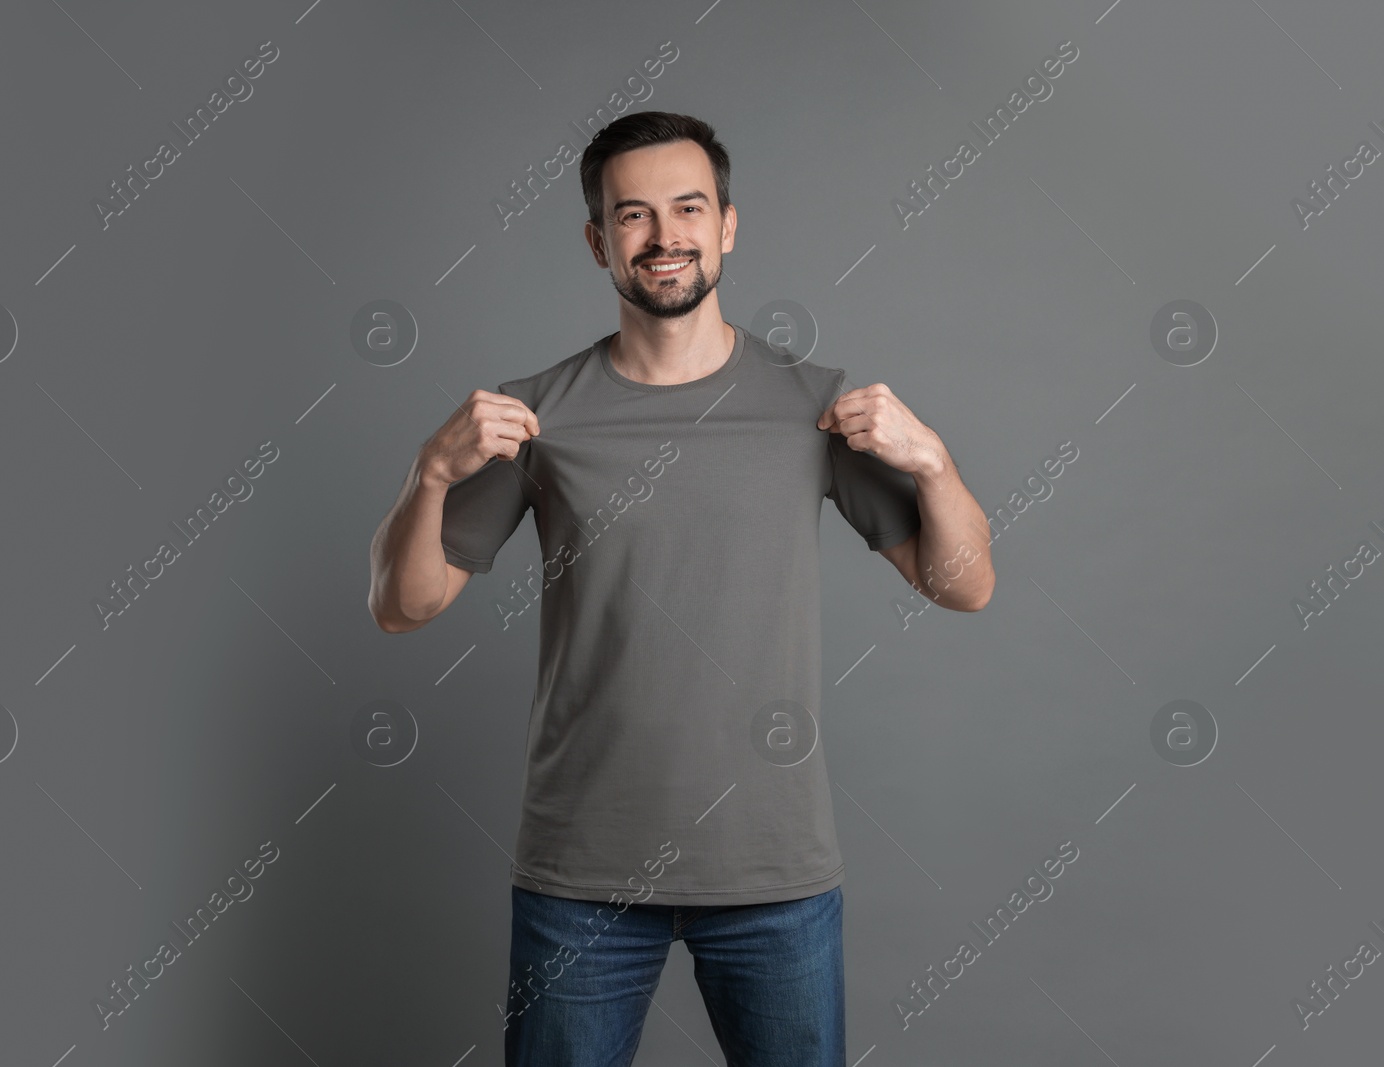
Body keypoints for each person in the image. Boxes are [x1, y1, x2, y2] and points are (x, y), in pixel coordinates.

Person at [368, 111, 995, 1066]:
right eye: (634, 216)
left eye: (688, 208)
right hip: (580, 873)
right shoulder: (537, 417)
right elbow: (401, 606)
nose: (665, 238)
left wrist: (938, 463)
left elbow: (965, 587)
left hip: (772, 872)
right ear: (597, 241)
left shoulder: (811, 406)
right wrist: (429, 475)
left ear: (728, 225)